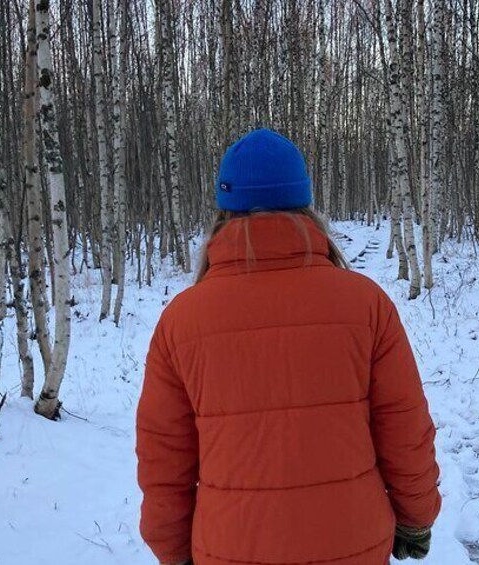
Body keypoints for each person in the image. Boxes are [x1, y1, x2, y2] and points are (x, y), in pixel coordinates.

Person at [136, 128, 441, 565]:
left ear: (225, 209)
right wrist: (415, 517)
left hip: (230, 548)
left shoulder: (182, 320)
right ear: (305, 204)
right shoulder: (365, 304)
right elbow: (404, 426)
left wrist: (172, 549)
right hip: (351, 542)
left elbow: (163, 457)